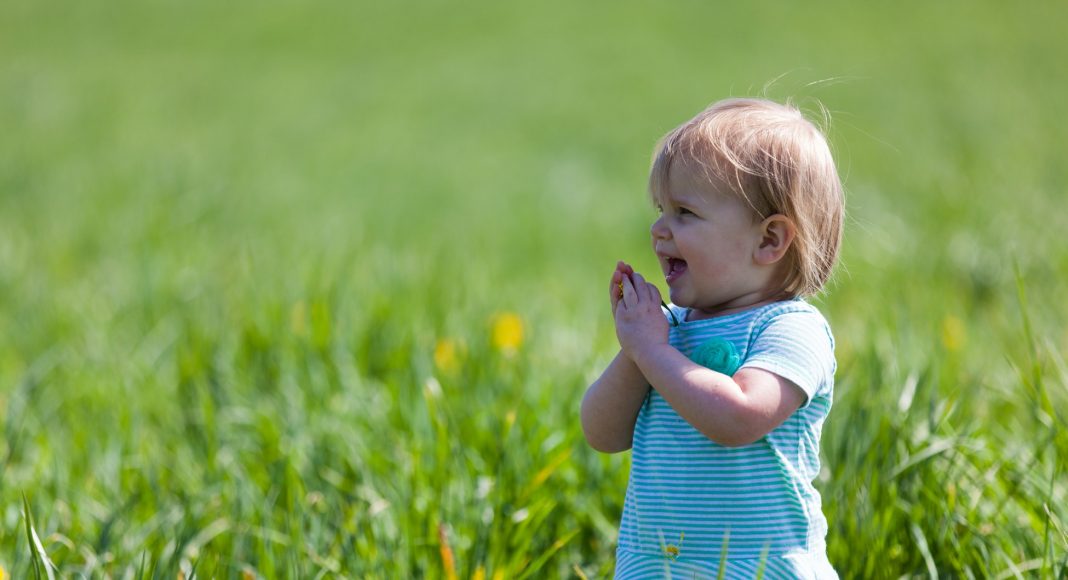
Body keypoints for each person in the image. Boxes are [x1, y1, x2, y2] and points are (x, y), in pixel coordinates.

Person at [580, 98, 844, 579]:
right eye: (662, 210)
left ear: (769, 240)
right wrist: (635, 351)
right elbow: (602, 432)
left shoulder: (789, 329)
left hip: (760, 569)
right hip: (655, 568)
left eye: (684, 212)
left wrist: (654, 351)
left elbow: (738, 416)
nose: (658, 230)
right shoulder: (670, 329)